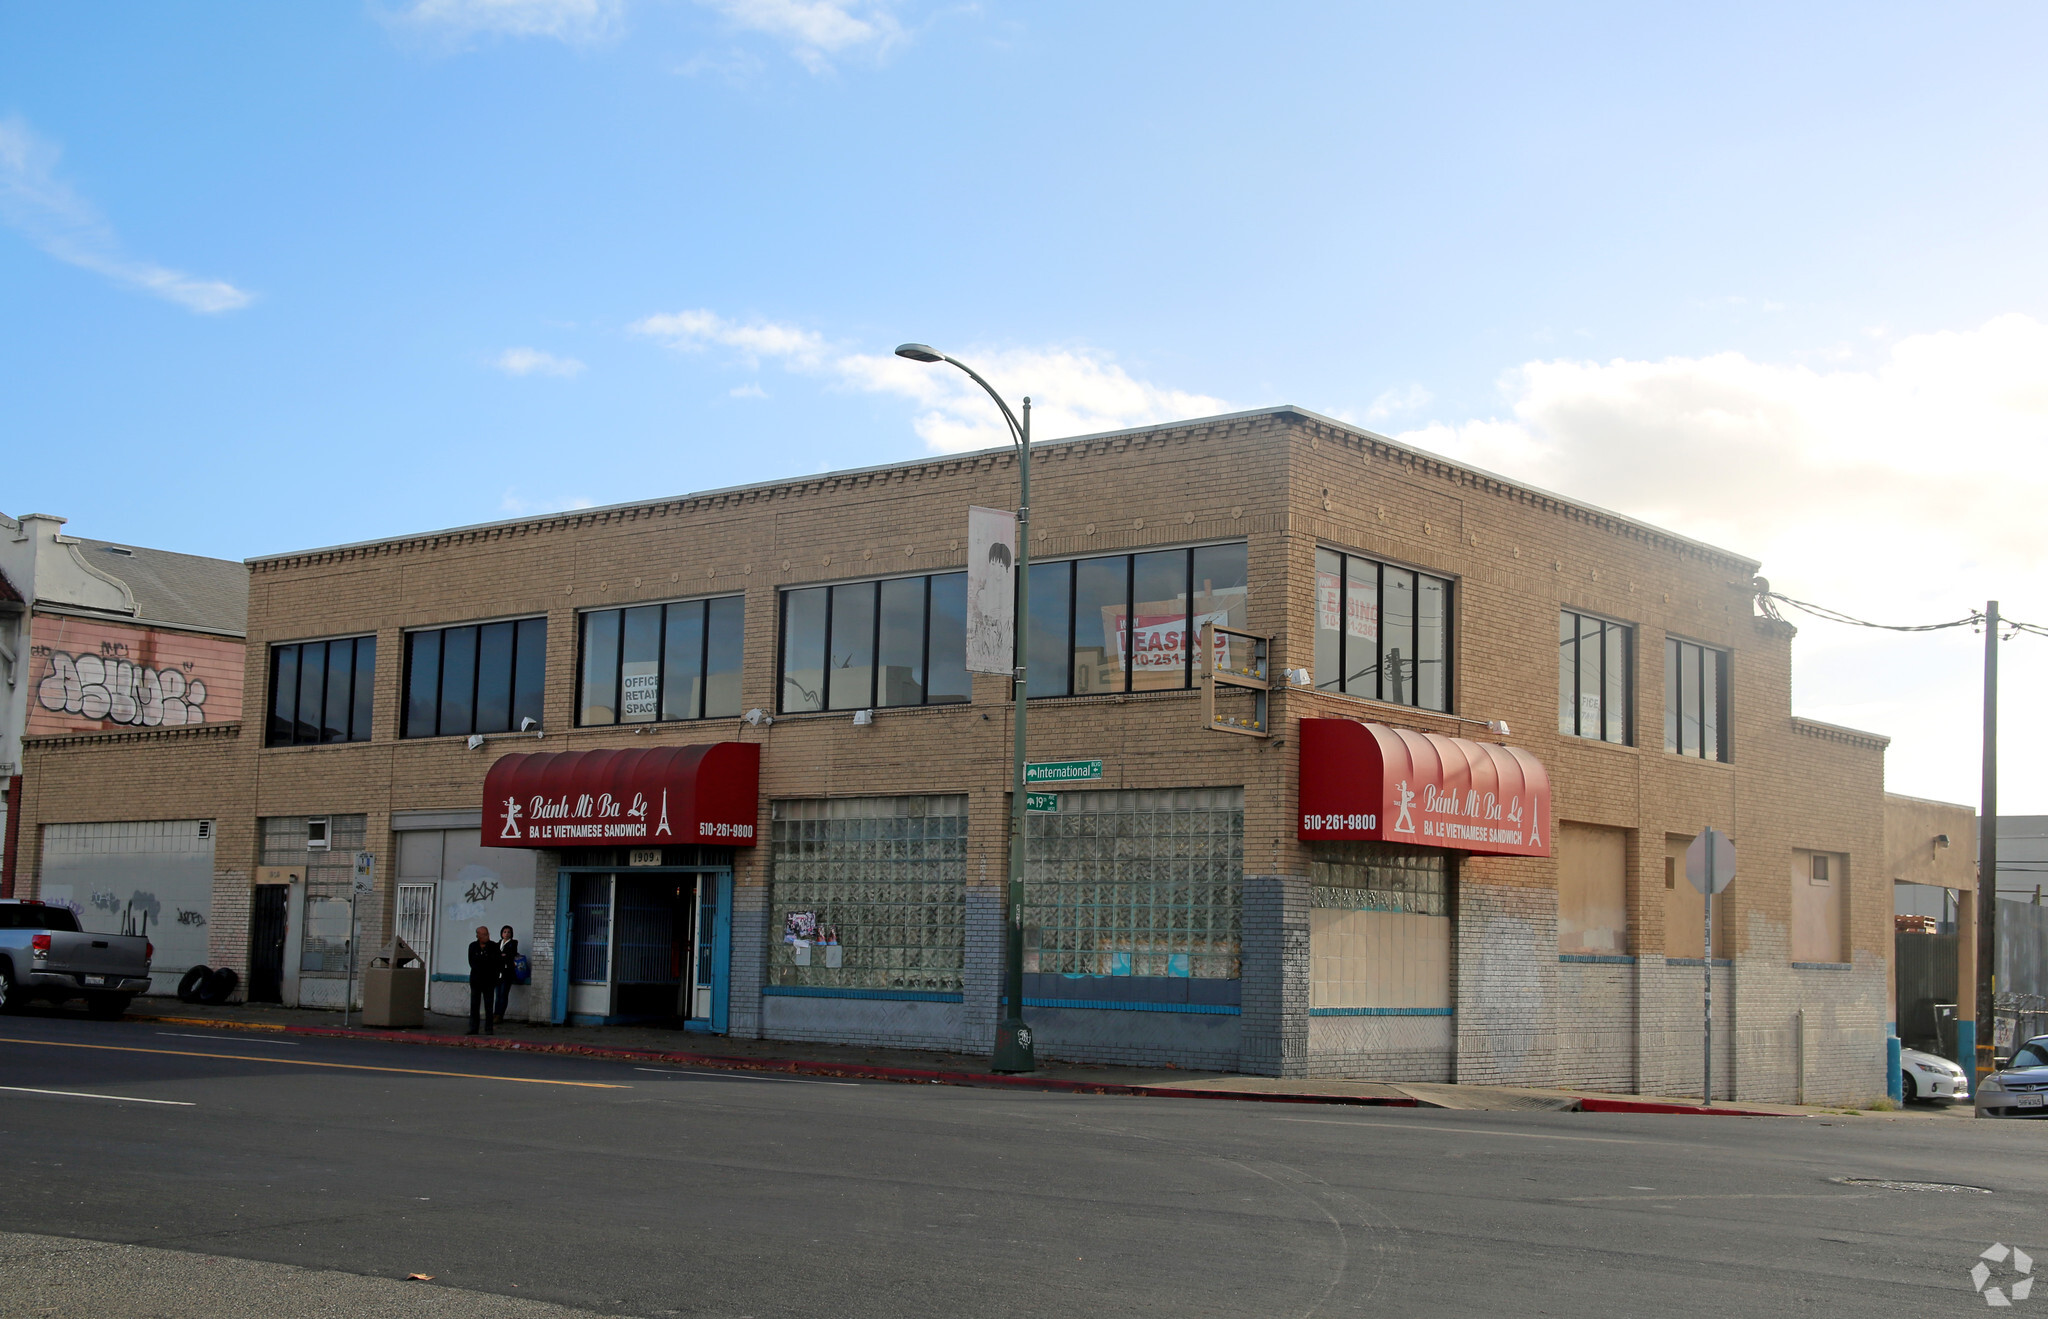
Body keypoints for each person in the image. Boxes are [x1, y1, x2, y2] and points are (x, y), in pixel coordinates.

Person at [466, 925, 502, 1036]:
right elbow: (472, 962)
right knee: (474, 1005)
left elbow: (496, 962)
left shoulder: (494, 946)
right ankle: (473, 1028)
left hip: (489, 980)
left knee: (489, 1005)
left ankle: (488, 1028)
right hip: (476, 979)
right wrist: (482, 964)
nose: (487, 936)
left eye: (487, 934)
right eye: (484, 934)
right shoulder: (473, 946)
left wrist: (494, 976)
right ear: (478, 936)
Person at [493, 925, 519, 1026]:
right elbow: (496, 955)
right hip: (498, 973)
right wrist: (501, 955)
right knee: (498, 994)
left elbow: (510, 955)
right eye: (504, 932)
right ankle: (495, 1014)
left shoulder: (513, 943)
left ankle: (500, 1015)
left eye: (508, 932)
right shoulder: (498, 943)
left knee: (504, 994)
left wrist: (503, 955)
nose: (506, 934)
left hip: (507, 973)